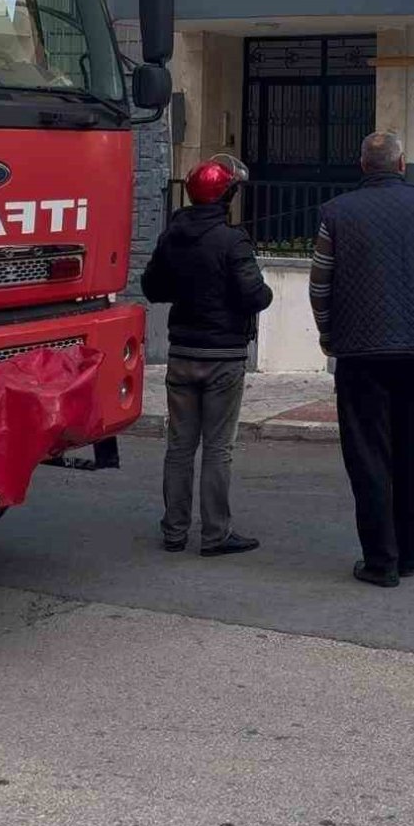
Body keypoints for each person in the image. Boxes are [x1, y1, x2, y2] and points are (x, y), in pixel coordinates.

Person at [308, 131, 414, 587]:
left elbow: (319, 285)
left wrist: (327, 334)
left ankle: (380, 561)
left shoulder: (335, 214)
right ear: (403, 165)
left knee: (368, 456)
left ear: (363, 167)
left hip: (358, 354)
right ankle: (413, 553)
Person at [141, 154, 273, 556]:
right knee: (218, 447)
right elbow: (257, 296)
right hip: (223, 356)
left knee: (180, 446)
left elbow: (152, 287)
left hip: (182, 351)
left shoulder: (172, 235)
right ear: (226, 196)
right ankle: (215, 533)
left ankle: (174, 530)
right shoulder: (232, 241)